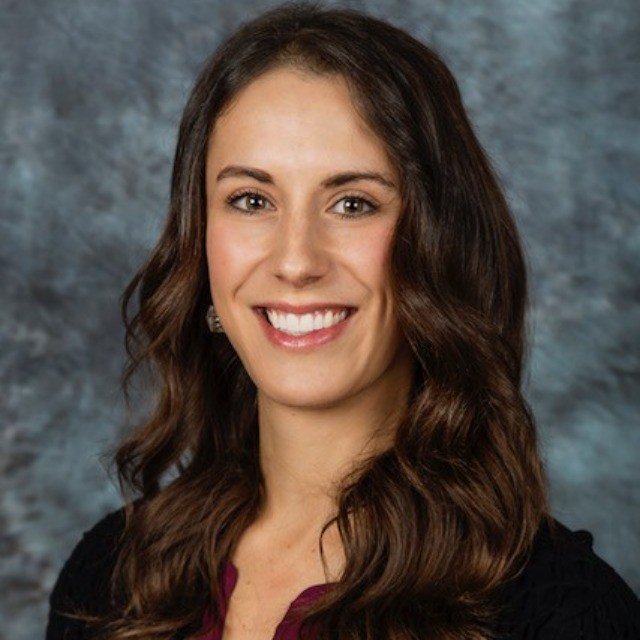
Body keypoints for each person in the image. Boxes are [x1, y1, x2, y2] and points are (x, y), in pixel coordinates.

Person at [45, 2, 640, 639]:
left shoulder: (562, 612)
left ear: (440, 243)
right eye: (251, 200)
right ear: (199, 240)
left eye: (353, 203)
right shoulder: (111, 578)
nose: (296, 261)